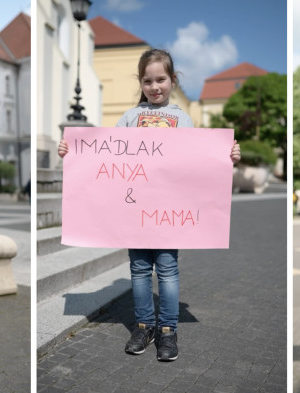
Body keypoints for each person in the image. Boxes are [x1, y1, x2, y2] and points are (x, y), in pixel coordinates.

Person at [58, 49, 241, 361]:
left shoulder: (183, 119)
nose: (155, 86)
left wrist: (228, 158)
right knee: (139, 270)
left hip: (169, 212)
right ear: (140, 82)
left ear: (173, 80)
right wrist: (72, 152)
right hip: (134, 212)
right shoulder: (129, 118)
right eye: (148, 80)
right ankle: (144, 325)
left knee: (168, 270)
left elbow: (198, 164)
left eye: (161, 79)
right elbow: (105, 155)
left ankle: (168, 330)